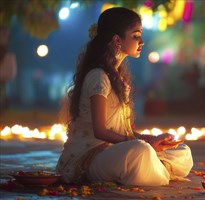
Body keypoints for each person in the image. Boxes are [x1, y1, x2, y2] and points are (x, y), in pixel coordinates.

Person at [56, 7, 193, 186]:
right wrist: (143, 143)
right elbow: (100, 131)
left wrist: (152, 139)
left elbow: (124, 131)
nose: (142, 41)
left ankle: (150, 167)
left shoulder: (117, 76)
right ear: (117, 40)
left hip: (116, 151)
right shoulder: (99, 76)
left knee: (183, 152)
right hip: (91, 157)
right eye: (136, 36)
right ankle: (151, 168)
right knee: (140, 151)